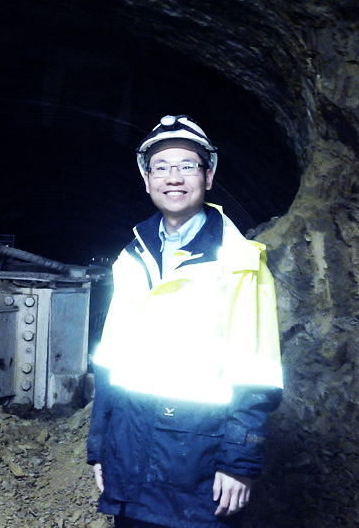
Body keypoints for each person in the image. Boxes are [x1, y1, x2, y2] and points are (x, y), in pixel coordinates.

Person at [87, 115, 284, 527]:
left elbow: (257, 371)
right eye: (161, 167)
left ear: (208, 176)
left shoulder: (241, 262)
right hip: (130, 451)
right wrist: (100, 447)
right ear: (146, 180)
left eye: (187, 165)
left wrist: (239, 461)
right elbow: (110, 361)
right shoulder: (131, 259)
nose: (173, 177)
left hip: (199, 464)